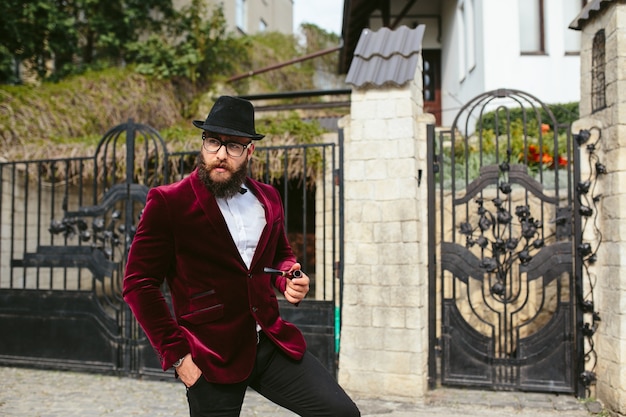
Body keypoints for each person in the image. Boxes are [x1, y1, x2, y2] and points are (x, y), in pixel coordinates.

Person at [123, 96, 360, 417]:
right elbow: (138, 284)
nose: (221, 154)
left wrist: (290, 276)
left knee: (341, 413)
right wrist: (179, 358)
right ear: (202, 144)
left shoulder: (269, 198)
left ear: (249, 151)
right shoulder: (169, 202)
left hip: (270, 343)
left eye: (234, 146)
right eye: (213, 142)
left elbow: (279, 256)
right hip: (209, 357)